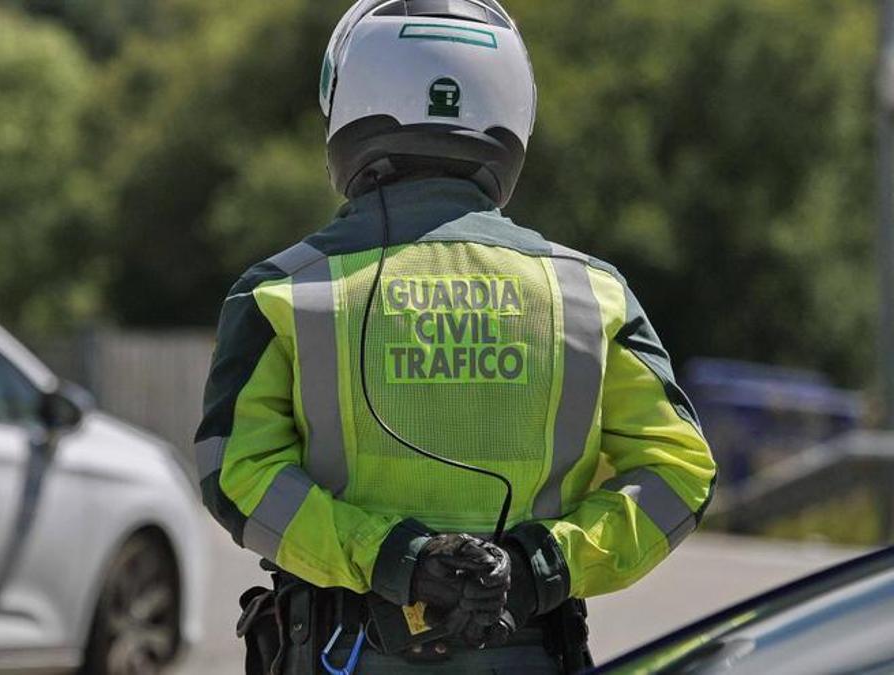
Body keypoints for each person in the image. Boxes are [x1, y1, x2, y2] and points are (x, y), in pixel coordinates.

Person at [194, 0, 717, 672]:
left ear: (347, 104)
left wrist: (398, 560)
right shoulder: (593, 294)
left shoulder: (281, 292)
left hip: (340, 653)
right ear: (512, 114)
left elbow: (235, 475)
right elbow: (680, 474)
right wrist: (538, 567)